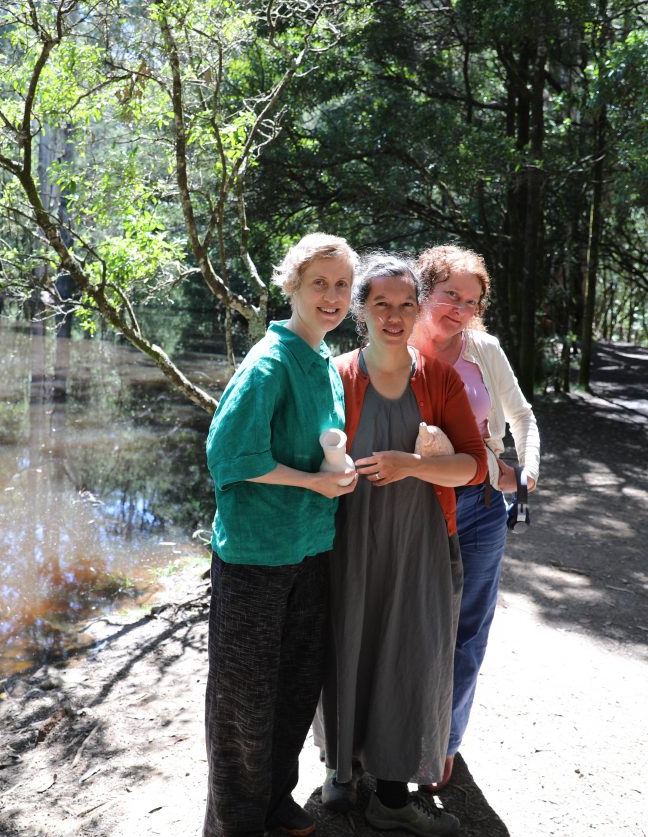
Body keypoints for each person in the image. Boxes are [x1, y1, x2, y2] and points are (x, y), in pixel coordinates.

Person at [317, 253, 487, 837]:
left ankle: (391, 798)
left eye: (405, 305)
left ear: (418, 311)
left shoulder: (437, 379)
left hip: (419, 545)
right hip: (348, 543)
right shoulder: (335, 375)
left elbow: (474, 467)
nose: (394, 316)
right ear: (361, 310)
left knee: (409, 659)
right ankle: (343, 772)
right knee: (346, 648)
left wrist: (412, 465)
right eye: (381, 305)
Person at [203, 232, 360, 837]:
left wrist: (336, 476)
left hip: (311, 549)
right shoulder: (269, 361)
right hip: (256, 555)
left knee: (296, 686)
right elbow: (229, 456)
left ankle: (273, 801)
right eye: (319, 282)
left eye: (342, 285)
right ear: (291, 284)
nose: (332, 295)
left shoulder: (322, 362)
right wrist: (312, 484)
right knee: (243, 699)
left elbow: (318, 448)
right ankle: (235, 822)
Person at [411, 245, 541, 789]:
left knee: (468, 628)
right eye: (450, 296)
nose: (460, 309)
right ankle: (393, 740)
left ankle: (446, 742)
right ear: (423, 292)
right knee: (408, 625)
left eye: (471, 300)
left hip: (483, 507)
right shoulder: (392, 341)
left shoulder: (483, 349)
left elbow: (521, 416)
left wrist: (525, 475)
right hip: (414, 504)